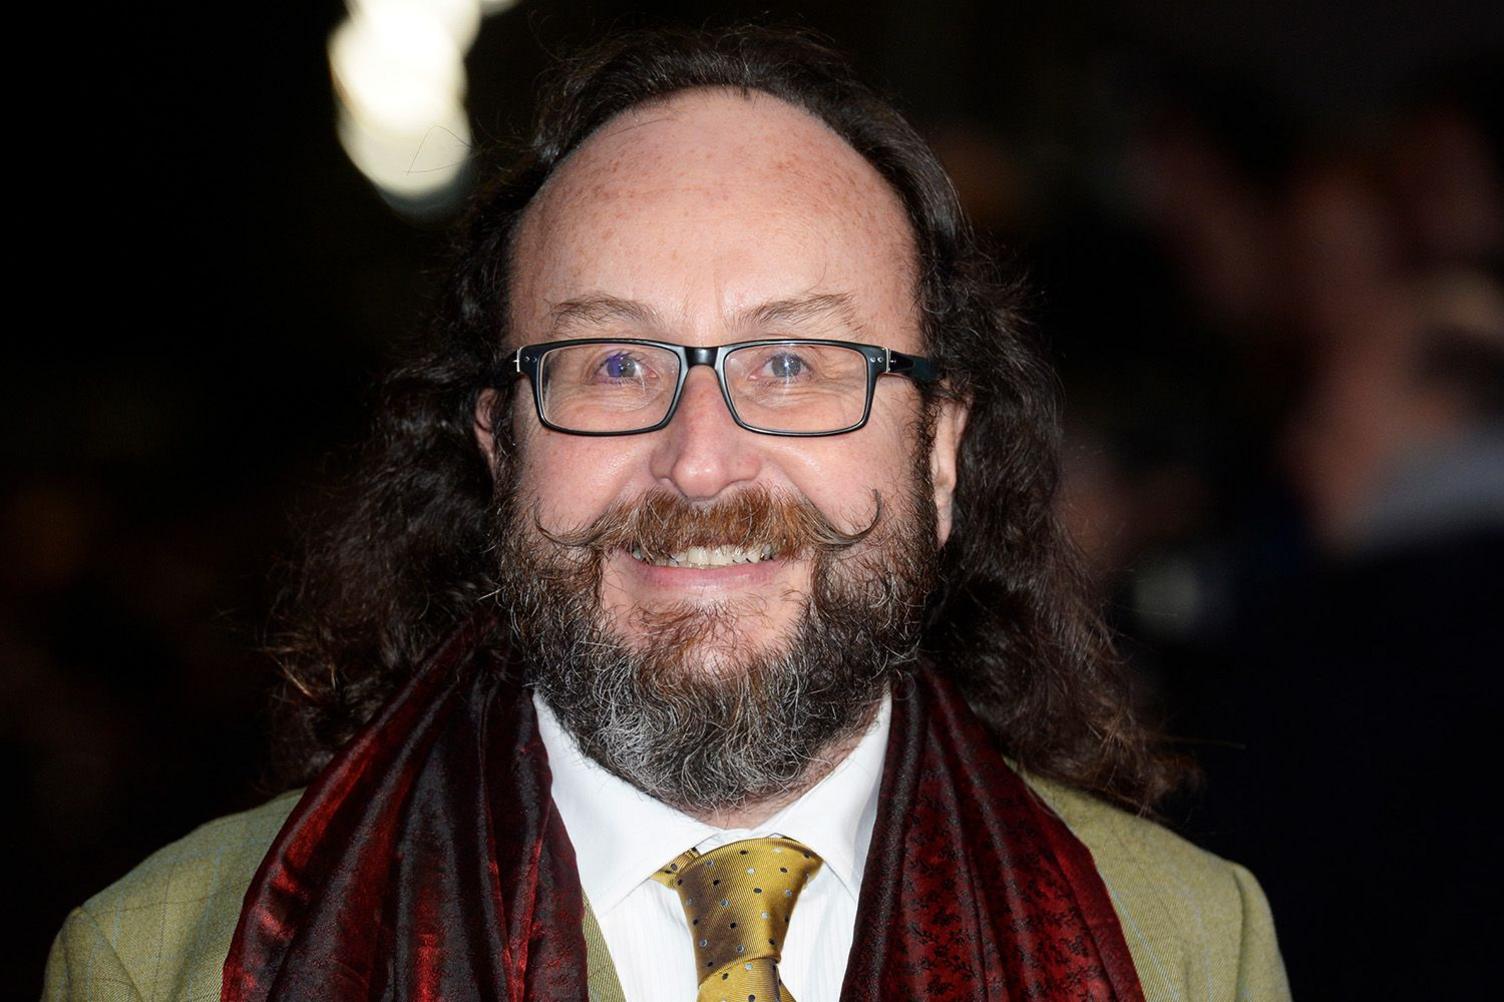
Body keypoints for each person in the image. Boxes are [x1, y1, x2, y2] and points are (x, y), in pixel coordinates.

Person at [44, 26, 1287, 1002]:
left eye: (793, 364)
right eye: (613, 366)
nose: (700, 463)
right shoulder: (171, 965)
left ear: (943, 450)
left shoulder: (1179, 948)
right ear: (498, 446)